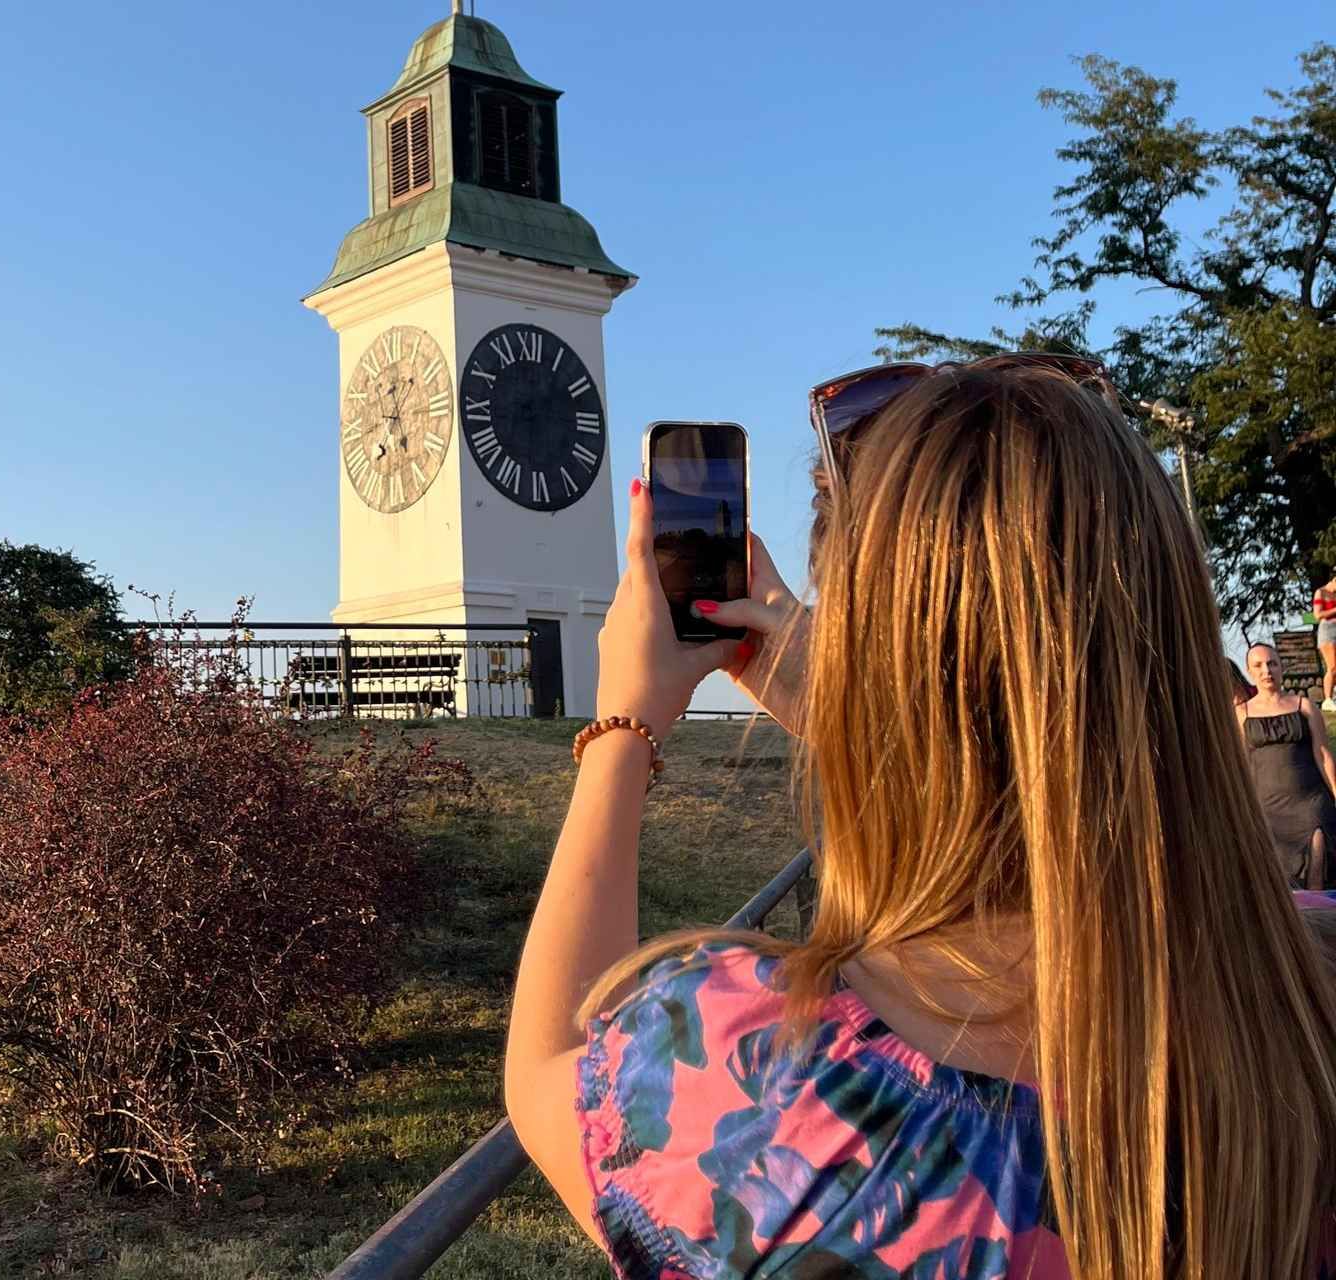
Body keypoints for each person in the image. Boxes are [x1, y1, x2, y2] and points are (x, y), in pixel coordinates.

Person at [503, 356, 1336, 1279]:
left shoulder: (772, 1087)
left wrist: (625, 724)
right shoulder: (1303, 995)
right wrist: (873, 717)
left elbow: (559, 1059)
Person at [1239, 643, 1336, 890]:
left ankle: (1317, 927)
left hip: (1310, 802)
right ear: (1250, 672)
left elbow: (1323, 754)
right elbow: (1238, 764)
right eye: (1258, 665)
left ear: (1282, 667)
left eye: (1272, 663)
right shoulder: (1241, 714)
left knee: (1317, 869)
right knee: (1276, 883)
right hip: (1267, 808)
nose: (1266, 670)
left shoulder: (1304, 706)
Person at [1315, 575, 1336, 711]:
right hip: (1328, 631)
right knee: (1333, 667)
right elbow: (1317, 615)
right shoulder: (1321, 592)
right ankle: (1327, 700)